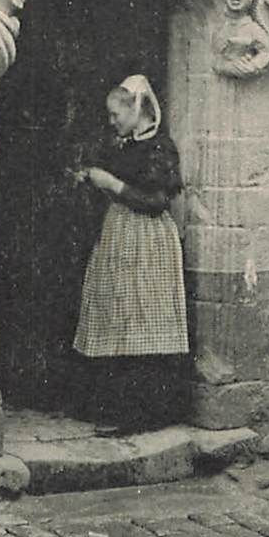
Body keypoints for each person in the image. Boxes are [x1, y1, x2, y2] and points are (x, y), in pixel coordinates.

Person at [70, 74, 191, 434]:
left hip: (148, 240)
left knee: (143, 319)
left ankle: (140, 414)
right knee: (115, 315)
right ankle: (111, 407)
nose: (112, 121)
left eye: (115, 114)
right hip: (119, 235)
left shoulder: (160, 148)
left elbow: (156, 201)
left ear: (135, 108)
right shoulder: (122, 145)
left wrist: (113, 184)